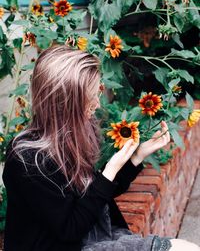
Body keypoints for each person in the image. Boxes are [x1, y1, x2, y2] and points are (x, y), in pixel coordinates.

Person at [2, 46, 200, 251]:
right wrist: (110, 170)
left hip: (94, 235)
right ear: (67, 102)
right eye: (90, 97)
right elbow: (70, 229)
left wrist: (137, 156)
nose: (97, 104)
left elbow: (95, 195)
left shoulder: (69, 136)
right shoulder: (26, 160)